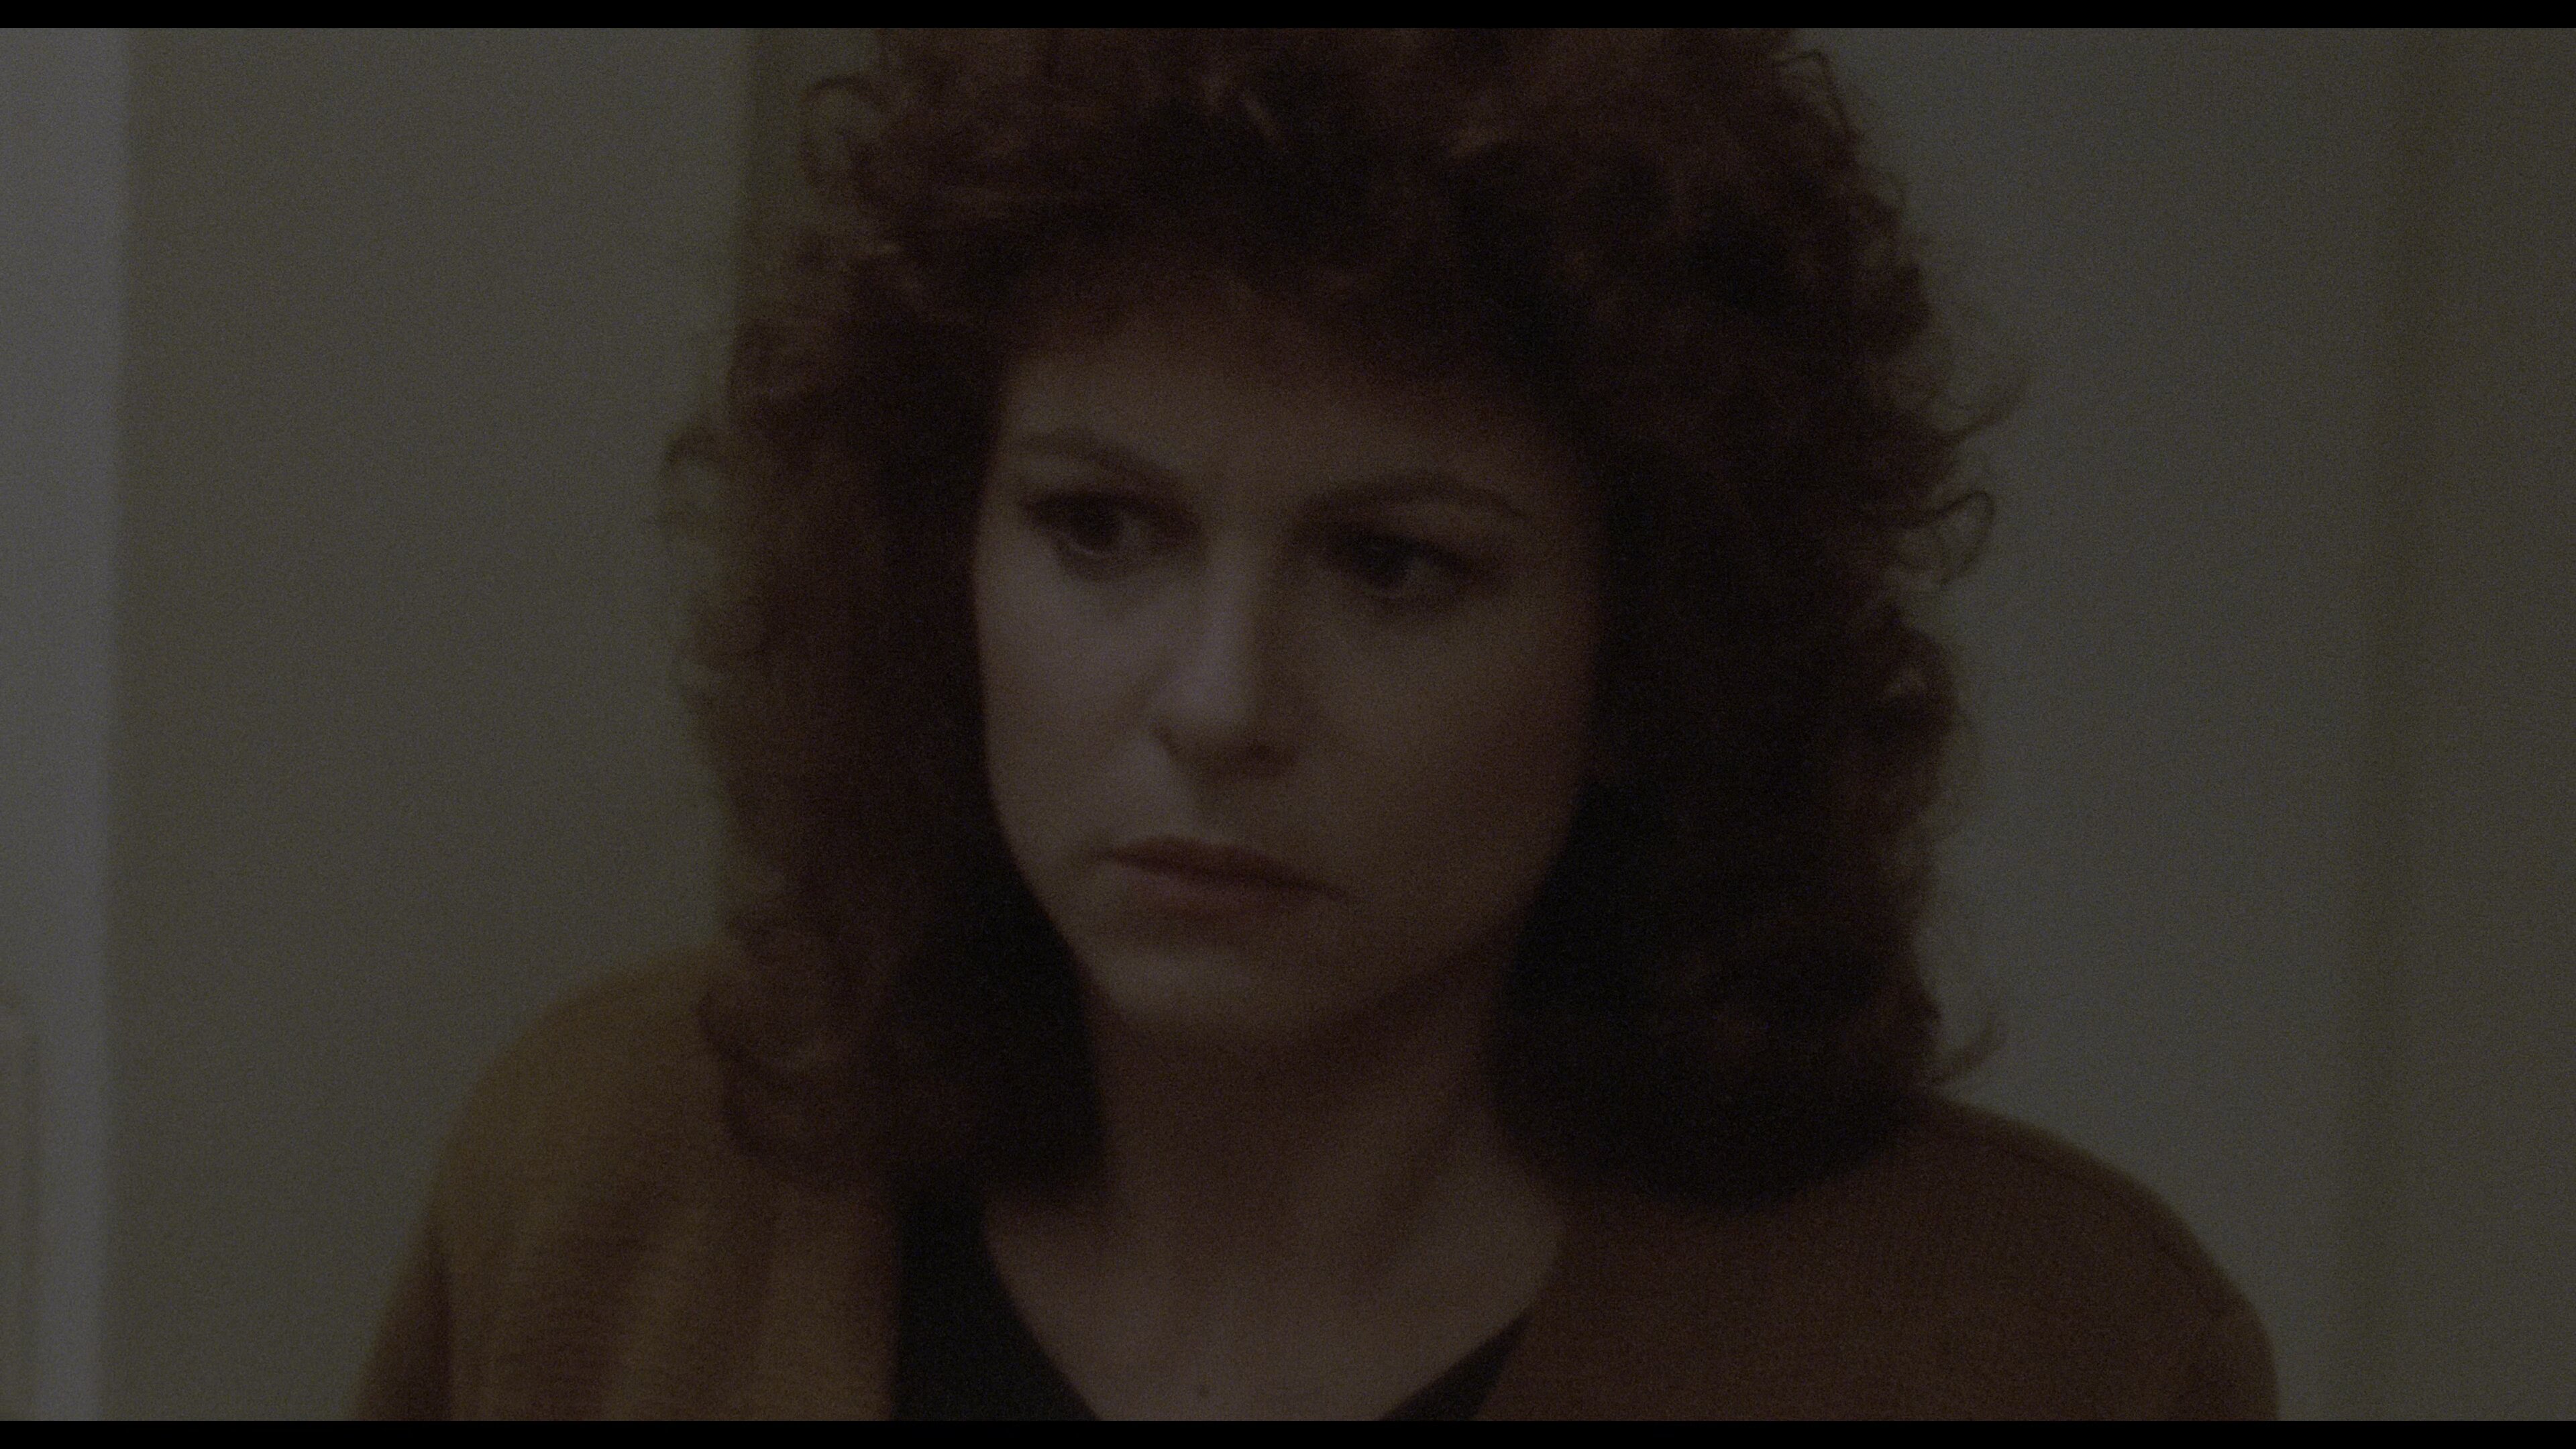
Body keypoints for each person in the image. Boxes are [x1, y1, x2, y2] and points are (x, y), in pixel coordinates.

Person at [355, 30, 2275, 1418]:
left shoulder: (2022, 1349)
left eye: (1393, 567)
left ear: (1648, 654)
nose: (1217, 705)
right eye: (1100, 529)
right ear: (941, 558)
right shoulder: (614, 1191)